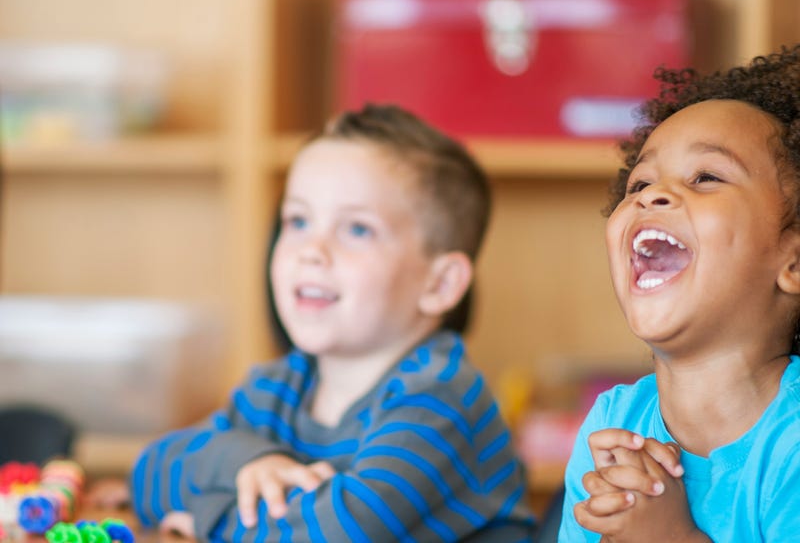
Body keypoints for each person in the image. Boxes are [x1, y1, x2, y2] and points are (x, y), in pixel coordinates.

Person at [129, 104, 536, 541]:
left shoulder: (440, 398)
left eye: (357, 229)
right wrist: (248, 461)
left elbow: (338, 534)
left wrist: (209, 520)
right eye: (298, 220)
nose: (312, 250)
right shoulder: (277, 389)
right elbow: (150, 477)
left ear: (439, 284)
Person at [558, 45, 800, 542]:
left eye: (706, 177)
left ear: (793, 263)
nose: (650, 193)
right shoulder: (611, 423)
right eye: (639, 182)